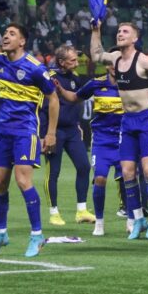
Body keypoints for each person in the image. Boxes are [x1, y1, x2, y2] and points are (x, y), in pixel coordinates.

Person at [0, 24, 59, 257]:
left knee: (23, 181)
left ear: (22, 42)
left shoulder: (35, 68)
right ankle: (1, 233)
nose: (5, 36)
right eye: (5, 33)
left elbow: (53, 99)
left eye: (12, 34)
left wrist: (51, 133)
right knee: (0, 184)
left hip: (25, 131)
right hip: (2, 132)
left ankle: (37, 235)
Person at [90, 22, 148, 240]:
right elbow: (96, 55)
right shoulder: (115, 59)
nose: (120, 34)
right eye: (119, 31)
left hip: (146, 119)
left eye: (125, 32)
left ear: (135, 39)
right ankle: (137, 219)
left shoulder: (144, 61)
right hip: (127, 121)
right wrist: (95, 31)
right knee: (128, 172)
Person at [60, 62, 124, 236]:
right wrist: (60, 90)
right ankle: (100, 223)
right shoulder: (96, 83)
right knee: (100, 179)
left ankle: (133, 220)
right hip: (102, 140)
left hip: (124, 139)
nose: (115, 67)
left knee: (128, 179)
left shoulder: (131, 84)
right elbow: (75, 97)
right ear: (107, 65)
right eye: (111, 63)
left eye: (118, 63)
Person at [44, 45, 93, 226]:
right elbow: (43, 107)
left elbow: (77, 100)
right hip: (54, 130)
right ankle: (54, 212)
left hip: (72, 130)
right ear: (61, 62)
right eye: (72, 60)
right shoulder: (49, 78)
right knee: (53, 172)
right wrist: (46, 133)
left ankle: (81, 210)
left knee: (84, 166)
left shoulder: (75, 78)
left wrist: (78, 123)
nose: (76, 63)